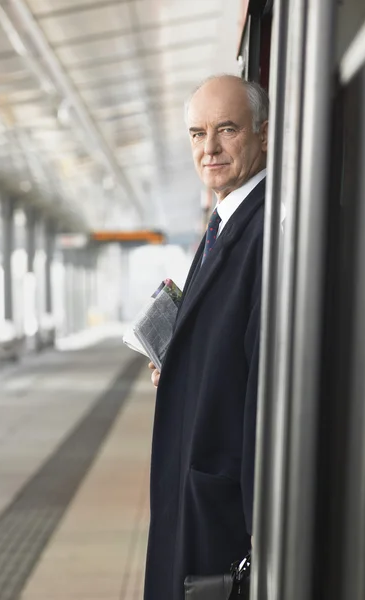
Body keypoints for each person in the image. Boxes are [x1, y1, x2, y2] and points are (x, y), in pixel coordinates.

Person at [144, 74, 269, 600]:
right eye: (197, 134)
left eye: (226, 130)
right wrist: (180, 364)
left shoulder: (267, 231)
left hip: (223, 517)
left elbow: (265, 386)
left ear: (264, 135)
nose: (209, 148)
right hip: (198, 494)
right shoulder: (225, 221)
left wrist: (257, 532)